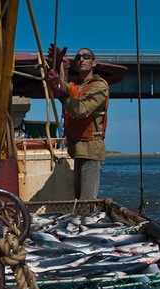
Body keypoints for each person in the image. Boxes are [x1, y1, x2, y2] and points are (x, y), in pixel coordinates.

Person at [45, 46, 109, 203]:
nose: (81, 59)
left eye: (86, 56)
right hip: (78, 151)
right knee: (79, 201)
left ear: (94, 63)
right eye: (78, 57)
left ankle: (85, 225)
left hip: (91, 152)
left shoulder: (100, 86)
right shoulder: (77, 87)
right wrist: (56, 63)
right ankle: (81, 225)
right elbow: (57, 83)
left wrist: (59, 91)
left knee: (86, 203)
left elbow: (81, 109)